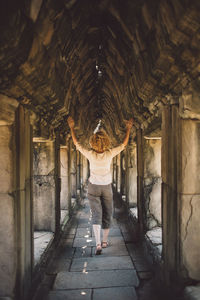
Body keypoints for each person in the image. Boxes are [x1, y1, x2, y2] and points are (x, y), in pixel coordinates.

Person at [67, 116, 133, 255]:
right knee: (107, 213)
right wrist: (128, 129)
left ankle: (97, 244)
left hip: (93, 187)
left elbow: (77, 144)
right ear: (106, 142)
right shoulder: (109, 154)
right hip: (106, 186)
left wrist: (72, 127)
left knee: (96, 214)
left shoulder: (90, 154)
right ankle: (104, 241)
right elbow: (123, 144)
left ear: (93, 142)